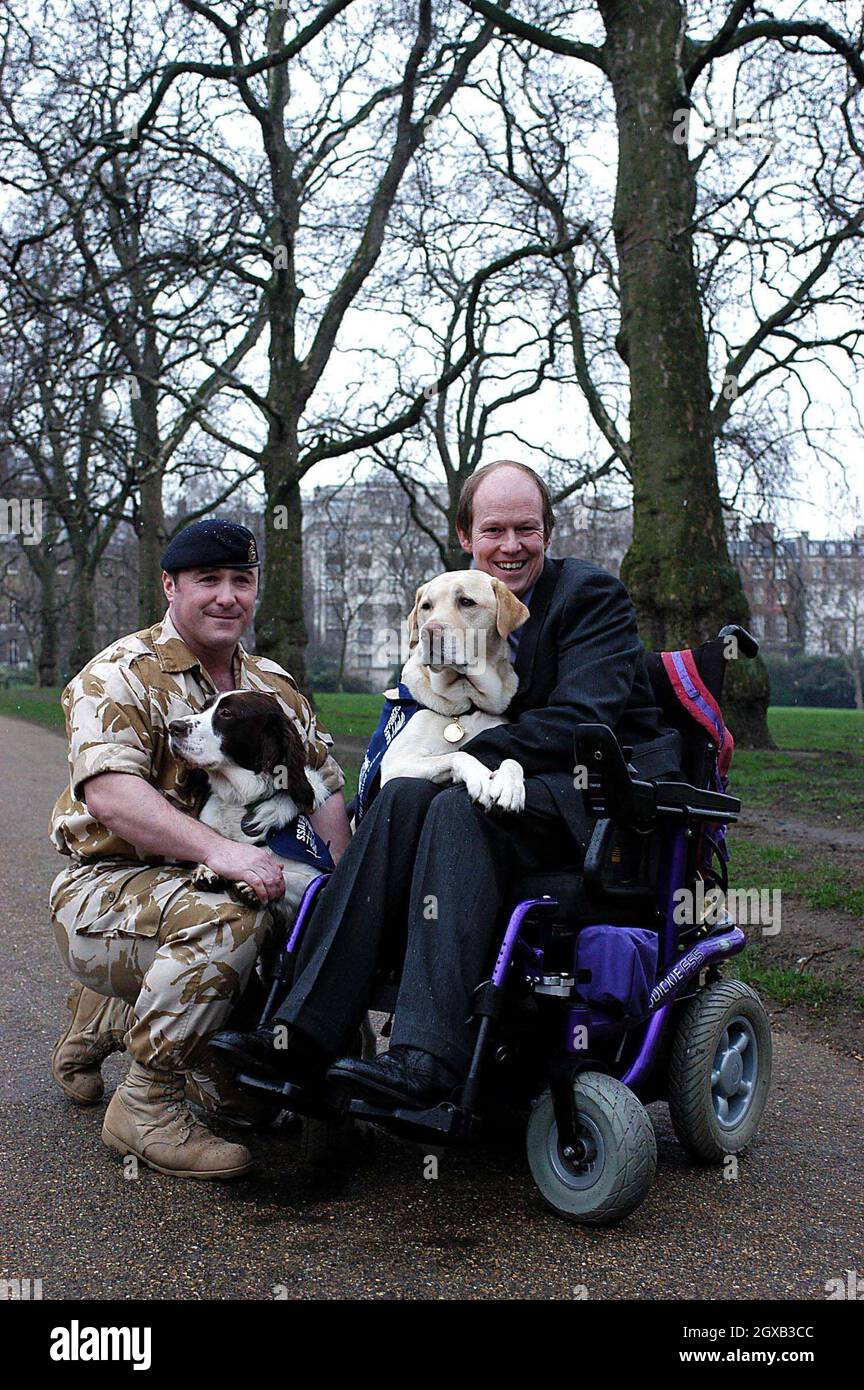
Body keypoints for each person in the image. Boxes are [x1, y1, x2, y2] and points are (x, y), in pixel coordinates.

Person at [213, 462, 682, 1110]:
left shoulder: (590, 597)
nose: (511, 545)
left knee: (458, 810)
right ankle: (301, 1032)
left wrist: (468, 753)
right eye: (494, 529)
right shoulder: (460, 605)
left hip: (591, 799)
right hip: (500, 789)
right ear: (467, 534)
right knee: (406, 795)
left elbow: (581, 721)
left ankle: (427, 1057)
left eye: (527, 528)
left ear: (548, 531)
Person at [49, 519, 349, 1178]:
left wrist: (335, 883)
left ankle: (108, 1013)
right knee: (233, 910)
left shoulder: (272, 684)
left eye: (240, 581)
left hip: (206, 888)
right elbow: (111, 796)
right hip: (109, 890)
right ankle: (145, 1106)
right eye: (207, 580)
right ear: (170, 585)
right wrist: (225, 853)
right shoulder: (121, 673)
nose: (226, 596)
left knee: (252, 1109)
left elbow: (323, 783)